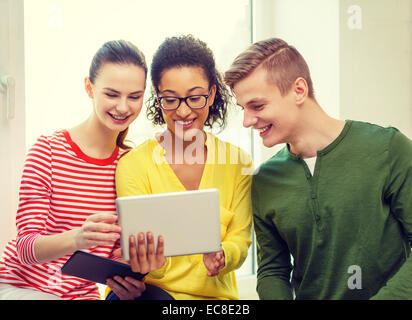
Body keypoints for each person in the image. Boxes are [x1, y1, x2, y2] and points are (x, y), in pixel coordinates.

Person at [224, 37, 412, 300]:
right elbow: (273, 270)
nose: (247, 121)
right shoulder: (266, 179)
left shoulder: (388, 149)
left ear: (298, 90)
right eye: (243, 108)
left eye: (257, 106)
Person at [0, 40, 164, 300]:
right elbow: (26, 248)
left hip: (80, 295)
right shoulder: (49, 149)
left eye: (134, 97)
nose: (123, 107)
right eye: (111, 94)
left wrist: (132, 275)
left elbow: (116, 256)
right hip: (21, 287)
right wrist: (78, 238)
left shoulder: (130, 165)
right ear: (89, 88)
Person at [108, 34, 254, 300]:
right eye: (171, 99)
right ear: (158, 98)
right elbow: (138, 251)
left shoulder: (237, 163)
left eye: (195, 98)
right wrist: (149, 266)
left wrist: (223, 255)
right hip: (152, 295)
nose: (184, 112)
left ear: (211, 95)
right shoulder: (133, 165)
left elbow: (241, 241)